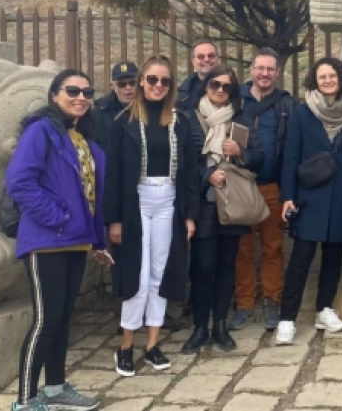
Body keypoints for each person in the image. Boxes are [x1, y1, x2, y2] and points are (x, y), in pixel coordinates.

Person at [6, 69, 112, 411]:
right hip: (47, 240)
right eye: (72, 90)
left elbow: (91, 195)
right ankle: (25, 399)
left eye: (87, 91)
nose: (81, 96)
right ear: (55, 95)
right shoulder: (41, 131)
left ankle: (54, 388)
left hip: (76, 242)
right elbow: (20, 182)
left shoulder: (83, 139)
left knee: (63, 318)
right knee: (45, 319)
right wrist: (57, 217)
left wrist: (96, 241)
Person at [106, 55, 199, 376]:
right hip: (136, 201)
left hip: (169, 200)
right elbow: (114, 175)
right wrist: (114, 219)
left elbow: (188, 173)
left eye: (165, 81)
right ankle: (126, 346)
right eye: (152, 80)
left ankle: (153, 344)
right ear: (141, 82)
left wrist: (189, 215)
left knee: (160, 272)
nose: (158, 86)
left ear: (172, 85)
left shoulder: (182, 122)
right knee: (137, 273)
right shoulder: (122, 122)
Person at [275, 57, 342, 345]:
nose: (327, 80)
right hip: (309, 196)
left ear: (341, 78)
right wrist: (288, 196)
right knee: (301, 258)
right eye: (322, 76)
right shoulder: (302, 113)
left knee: (334, 257)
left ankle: (324, 308)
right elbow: (290, 157)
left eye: (332, 76)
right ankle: (287, 318)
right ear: (315, 80)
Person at [181, 65, 264, 353]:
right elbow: (181, 162)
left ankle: (220, 325)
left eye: (226, 87)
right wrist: (207, 175)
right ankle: (200, 327)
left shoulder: (241, 119)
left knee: (227, 265)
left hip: (231, 204)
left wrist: (240, 153)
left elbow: (259, 157)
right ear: (205, 86)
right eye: (215, 84)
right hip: (202, 203)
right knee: (203, 266)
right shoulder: (189, 118)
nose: (219, 90)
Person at [230, 48, 295, 332]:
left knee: (272, 249)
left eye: (270, 69)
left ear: (278, 72)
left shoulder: (286, 104)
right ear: (251, 70)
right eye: (260, 68)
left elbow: (291, 147)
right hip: (241, 185)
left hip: (271, 186)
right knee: (242, 250)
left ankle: (272, 300)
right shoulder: (234, 100)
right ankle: (244, 303)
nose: (265, 74)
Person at [93, 61, 137, 151]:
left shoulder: (149, 108)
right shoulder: (100, 113)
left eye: (132, 83)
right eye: (122, 84)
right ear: (113, 87)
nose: (128, 88)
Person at [178, 40, 219, 109]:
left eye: (211, 56)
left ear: (218, 59)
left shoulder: (231, 88)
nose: (206, 59)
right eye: (201, 56)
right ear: (193, 61)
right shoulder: (183, 96)